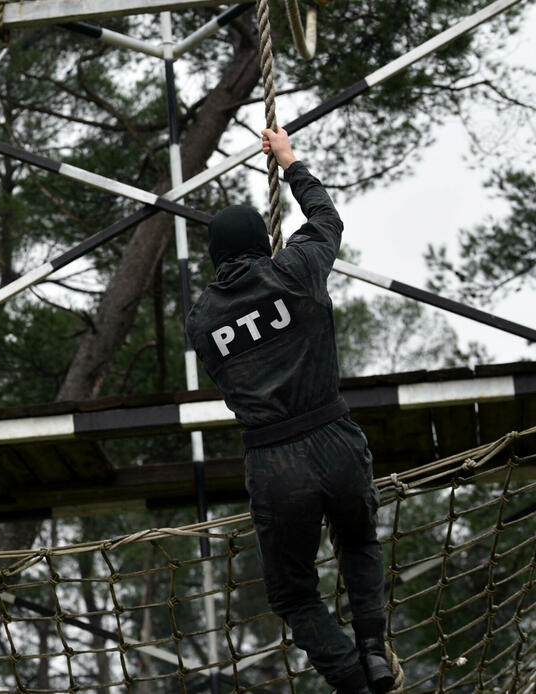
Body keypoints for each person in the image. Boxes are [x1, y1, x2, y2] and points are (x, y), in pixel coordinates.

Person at [185, 128, 394, 694]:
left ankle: (350, 679)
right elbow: (326, 220)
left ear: (215, 256)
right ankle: (373, 651)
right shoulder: (296, 269)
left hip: (275, 461)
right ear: (264, 242)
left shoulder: (201, 321)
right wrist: (289, 161)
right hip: (335, 436)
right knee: (359, 541)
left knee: (293, 593)